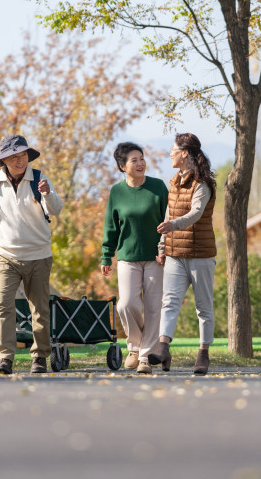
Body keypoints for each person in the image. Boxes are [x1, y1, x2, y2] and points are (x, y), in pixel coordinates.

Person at [0, 135, 64, 375]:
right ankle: (4, 358)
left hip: (39, 254)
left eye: (24, 155)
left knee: (39, 309)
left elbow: (56, 210)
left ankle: (39, 357)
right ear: (4, 159)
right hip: (5, 255)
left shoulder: (40, 178)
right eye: (15, 156)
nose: (20, 160)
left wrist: (48, 193)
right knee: (3, 307)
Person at [148, 133, 217, 376]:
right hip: (175, 253)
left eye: (174, 149)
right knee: (170, 302)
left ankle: (203, 354)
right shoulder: (174, 181)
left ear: (184, 153)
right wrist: (162, 246)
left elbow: (196, 213)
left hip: (200, 254)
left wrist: (173, 226)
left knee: (203, 307)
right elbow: (168, 215)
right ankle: (163, 348)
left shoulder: (203, 184)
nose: (170, 153)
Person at [100, 143, 168, 374]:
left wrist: (165, 248)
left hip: (155, 258)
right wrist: (106, 255)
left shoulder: (158, 187)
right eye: (133, 160)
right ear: (122, 166)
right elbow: (111, 226)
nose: (140, 163)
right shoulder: (117, 192)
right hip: (127, 257)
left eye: (141, 158)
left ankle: (145, 357)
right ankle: (134, 347)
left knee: (152, 307)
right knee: (127, 304)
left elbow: (169, 222)